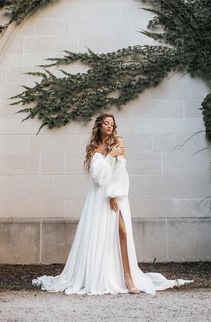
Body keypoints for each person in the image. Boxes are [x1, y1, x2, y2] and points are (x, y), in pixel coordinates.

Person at [32, 112, 194, 295]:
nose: (110, 126)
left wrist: (113, 195)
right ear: (100, 125)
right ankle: (99, 275)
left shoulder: (118, 142)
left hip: (115, 196)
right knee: (101, 235)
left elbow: (120, 172)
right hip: (98, 198)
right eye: (106, 123)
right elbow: (97, 176)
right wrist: (110, 155)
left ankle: (128, 277)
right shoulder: (93, 147)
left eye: (112, 123)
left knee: (123, 232)